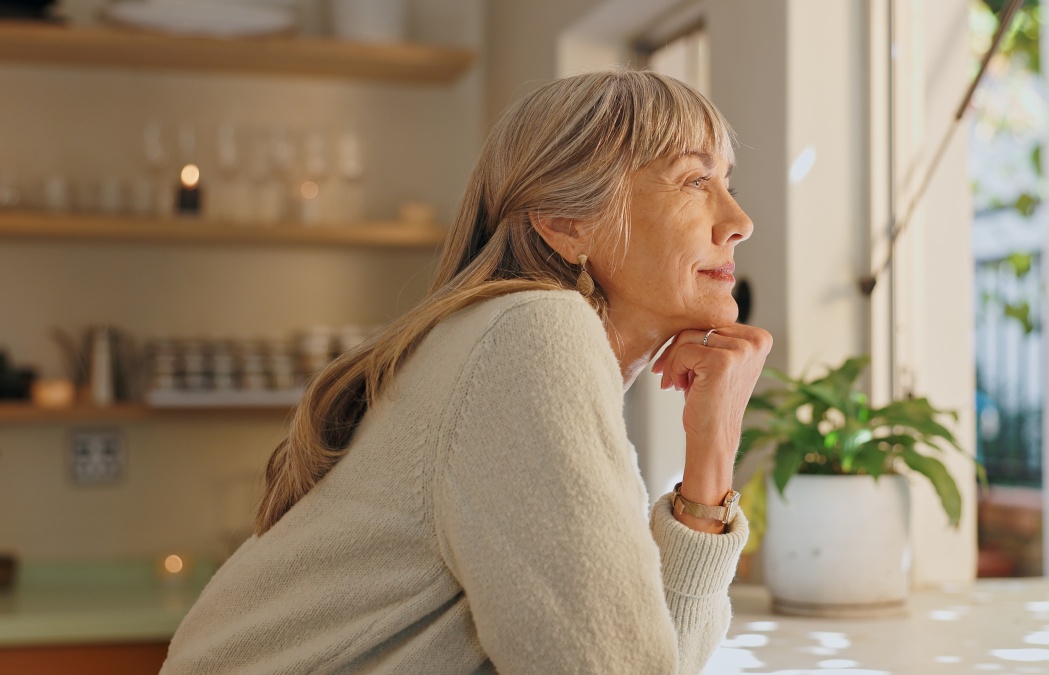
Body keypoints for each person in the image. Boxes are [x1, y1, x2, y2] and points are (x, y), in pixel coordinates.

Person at [162, 68, 772, 674]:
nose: (739, 220)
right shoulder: (532, 330)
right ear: (565, 223)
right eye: (695, 180)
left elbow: (654, 656)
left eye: (727, 182)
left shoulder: (514, 340)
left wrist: (712, 449)